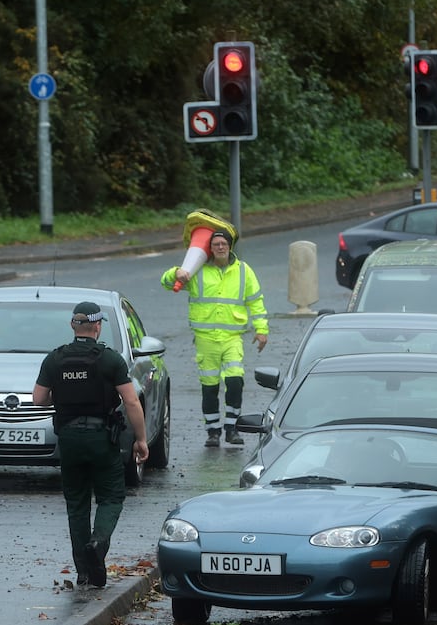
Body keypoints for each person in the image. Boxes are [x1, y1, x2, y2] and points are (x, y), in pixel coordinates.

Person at [32, 301, 149, 588]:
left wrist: (61, 398)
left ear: (73, 326)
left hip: (69, 439)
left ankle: (83, 572)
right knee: (111, 497)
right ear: (97, 326)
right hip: (101, 438)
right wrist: (141, 439)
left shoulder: (55, 359)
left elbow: (38, 399)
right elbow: (131, 401)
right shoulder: (109, 360)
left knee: (77, 504)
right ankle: (98, 543)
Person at [160, 225, 268, 447]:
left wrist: (262, 330)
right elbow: (168, 282)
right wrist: (175, 272)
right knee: (209, 385)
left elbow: (255, 301)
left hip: (232, 337)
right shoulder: (197, 270)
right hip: (206, 338)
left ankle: (232, 429)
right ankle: (213, 432)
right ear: (209, 248)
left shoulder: (244, 271)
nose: (220, 247)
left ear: (230, 247)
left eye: (224, 244)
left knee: (235, 380)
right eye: (215, 244)